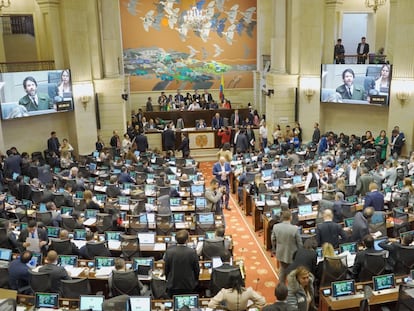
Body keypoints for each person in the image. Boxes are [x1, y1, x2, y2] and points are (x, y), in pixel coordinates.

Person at [164, 229, 200, 297]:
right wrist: (195, 281)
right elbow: (197, 270)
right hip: (188, 285)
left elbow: (166, 269)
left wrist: (167, 279)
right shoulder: (192, 252)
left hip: (173, 284)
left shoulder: (169, 252)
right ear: (187, 240)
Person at [271, 210, 303, 282]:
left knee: (282, 270)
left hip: (281, 253)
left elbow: (273, 239)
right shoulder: (294, 229)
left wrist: (275, 248)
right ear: (290, 217)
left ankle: (281, 286)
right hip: (293, 255)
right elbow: (300, 243)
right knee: (292, 273)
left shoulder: (276, 227)